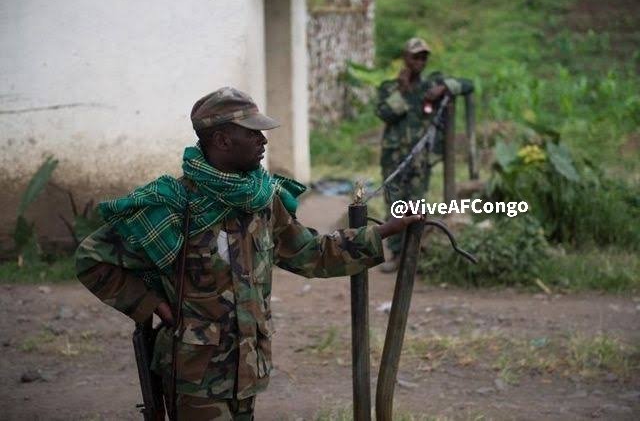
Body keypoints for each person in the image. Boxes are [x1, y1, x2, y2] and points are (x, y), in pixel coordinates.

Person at [75, 87, 421, 420]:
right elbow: (92, 259)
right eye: (253, 134)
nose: (264, 141)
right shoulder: (171, 204)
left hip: (248, 368)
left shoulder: (263, 199)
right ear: (222, 140)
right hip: (195, 373)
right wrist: (152, 305)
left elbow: (310, 253)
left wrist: (379, 234)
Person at [375, 37, 470, 273]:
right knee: (395, 205)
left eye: (424, 57)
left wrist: (444, 88)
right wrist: (403, 91)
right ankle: (397, 255)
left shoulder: (432, 83)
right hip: (394, 159)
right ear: (406, 58)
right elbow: (385, 113)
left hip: (420, 159)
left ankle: (414, 255)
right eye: (415, 56)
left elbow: (468, 84)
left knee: (417, 204)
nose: (420, 61)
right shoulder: (389, 87)